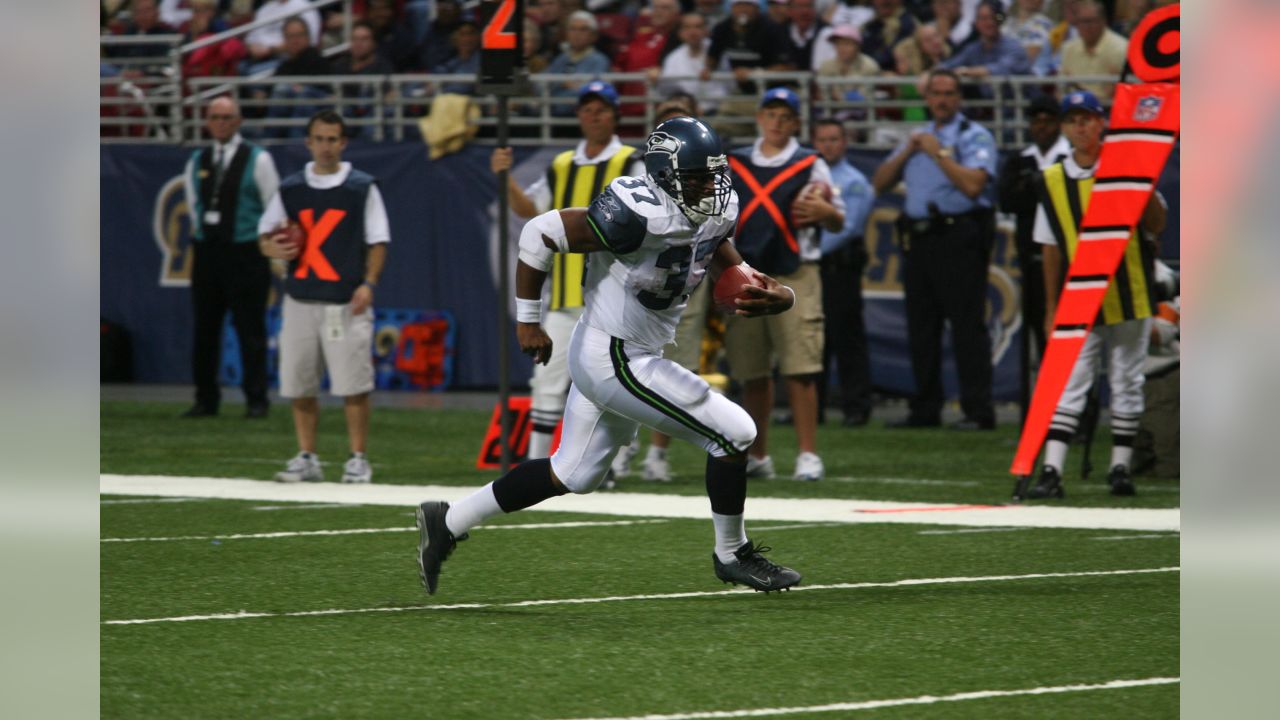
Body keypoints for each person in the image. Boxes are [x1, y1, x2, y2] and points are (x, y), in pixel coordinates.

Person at [415, 116, 803, 595]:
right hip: (614, 355)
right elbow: (539, 232)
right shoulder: (637, 211)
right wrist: (528, 320)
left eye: (714, 174)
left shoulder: (712, 206)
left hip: (630, 351)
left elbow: (718, 243)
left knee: (572, 473)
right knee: (735, 432)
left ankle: (448, 520)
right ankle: (732, 554)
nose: (710, 185)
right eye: (697, 176)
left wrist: (778, 292)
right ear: (664, 174)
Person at [490, 81, 645, 461]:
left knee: (615, 385)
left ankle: (616, 461)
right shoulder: (562, 166)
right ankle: (535, 464)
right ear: (578, 115)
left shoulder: (630, 162)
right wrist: (504, 177)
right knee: (546, 381)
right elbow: (529, 209)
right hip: (565, 297)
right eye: (588, 109)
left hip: (614, 297)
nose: (594, 116)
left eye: (602, 109)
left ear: (615, 116)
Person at [1026, 91, 1165, 499]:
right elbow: (1049, 245)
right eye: (1073, 120)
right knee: (1072, 380)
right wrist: (1051, 305)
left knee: (1126, 379)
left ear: (1101, 123)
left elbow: (1156, 223)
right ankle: (1052, 470)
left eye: (1087, 119)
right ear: (1064, 127)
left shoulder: (1124, 167)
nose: (1080, 127)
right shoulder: (1052, 179)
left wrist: (1141, 182)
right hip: (1081, 294)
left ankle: (1119, 468)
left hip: (1129, 289)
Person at [258, 111, 391, 484]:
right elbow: (265, 235)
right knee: (298, 384)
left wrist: (369, 283)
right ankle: (307, 456)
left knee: (354, 385)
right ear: (308, 142)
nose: (326, 146)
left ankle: (358, 458)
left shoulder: (361, 187)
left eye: (333, 139)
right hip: (300, 298)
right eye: (320, 138)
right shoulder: (292, 188)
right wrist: (272, 247)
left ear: (343, 143)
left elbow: (378, 239)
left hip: (345, 301)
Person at [726, 87, 846, 481]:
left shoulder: (810, 162)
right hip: (746, 271)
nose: (777, 123)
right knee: (751, 371)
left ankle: (808, 454)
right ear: (760, 117)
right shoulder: (736, 162)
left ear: (796, 122)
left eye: (785, 116)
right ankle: (757, 454)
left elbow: (837, 219)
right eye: (771, 114)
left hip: (796, 271)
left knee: (800, 366)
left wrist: (826, 210)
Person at [871, 68, 998, 430]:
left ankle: (978, 409)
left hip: (959, 237)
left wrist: (939, 153)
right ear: (927, 98)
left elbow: (974, 186)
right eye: (936, 93)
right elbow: (879, 182)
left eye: (949, 93)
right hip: (919, 240)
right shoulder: (917, 137)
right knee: (921, 328)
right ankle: (925, 408)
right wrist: (909, 150)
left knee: (966, 327)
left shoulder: (974, 135)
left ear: (959, 98)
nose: (942, 100)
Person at [181, 96, 279, 420]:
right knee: (204, 329)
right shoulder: (198, 159)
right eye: (215, 117)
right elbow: (194, 204)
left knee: (250, 329)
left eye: (227, 117)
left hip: (246, 253)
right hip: (209, 252)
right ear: (207, 122)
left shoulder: (259, 159)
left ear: (238, 121)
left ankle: (256, 399)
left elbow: (274, 207)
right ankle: (205, 398)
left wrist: (266, 244)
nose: (221, 122)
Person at [813, 119, 876, 426]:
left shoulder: (854, 182)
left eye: (834, 139)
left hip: (839, 268)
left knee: (847, 337)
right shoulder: (809, 176)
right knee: (812, 338)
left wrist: (807, 252)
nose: (828, 145)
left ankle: (856, 407)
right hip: (814, 268)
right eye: (823, 139)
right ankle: (814, 406)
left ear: (845, 142)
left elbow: (847, 228)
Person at [997, 94, 1069, 359]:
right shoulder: (1019, 161)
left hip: (1069, 260)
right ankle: (1043, 398)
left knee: (1073, 339)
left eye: (1048, 120)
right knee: (1039, 330)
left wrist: (1032, 187)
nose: (1041, 126)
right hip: (1030, 258)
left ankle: (1083, 399)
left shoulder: (1070, 158)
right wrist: (1041, 189)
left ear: (1060, 123)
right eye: (1036, 121)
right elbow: (1007, 201)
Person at [544, 12, 612, 116]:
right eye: (572, 29)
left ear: (593, 36)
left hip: (582, 116)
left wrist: (561, 86)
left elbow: (591, 92)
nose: (576, 33)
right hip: (553, 115)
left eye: (583, 29)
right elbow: (542, 85)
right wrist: (563, 83)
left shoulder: (600, 61)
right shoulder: (561, 59)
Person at [1059, 0, 1128, 103]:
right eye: (1082, 21)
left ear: (1103, 21)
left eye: (1091, 21)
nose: (1087, 26)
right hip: (1074, 109)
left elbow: (1124, 90)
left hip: (1108, 108)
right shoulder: (1068, 48)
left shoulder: (1122, 48)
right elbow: (1061, 87)